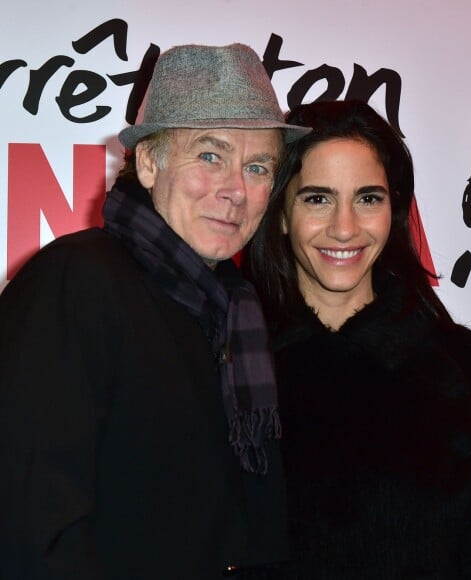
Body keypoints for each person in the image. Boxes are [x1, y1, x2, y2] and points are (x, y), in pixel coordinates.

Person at [0, 43, 310, 579]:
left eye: (257, 167)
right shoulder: (76, 280)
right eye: (210, 156)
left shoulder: (238, 310)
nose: (235, 189)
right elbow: (33, 521)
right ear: (148, 162)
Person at [244, 100, 471, 578]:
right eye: (317, 198)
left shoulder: (461, 366)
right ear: (281, 214)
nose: (344, 227)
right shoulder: (231, 365)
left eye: (368, 198)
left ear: (394, 210)